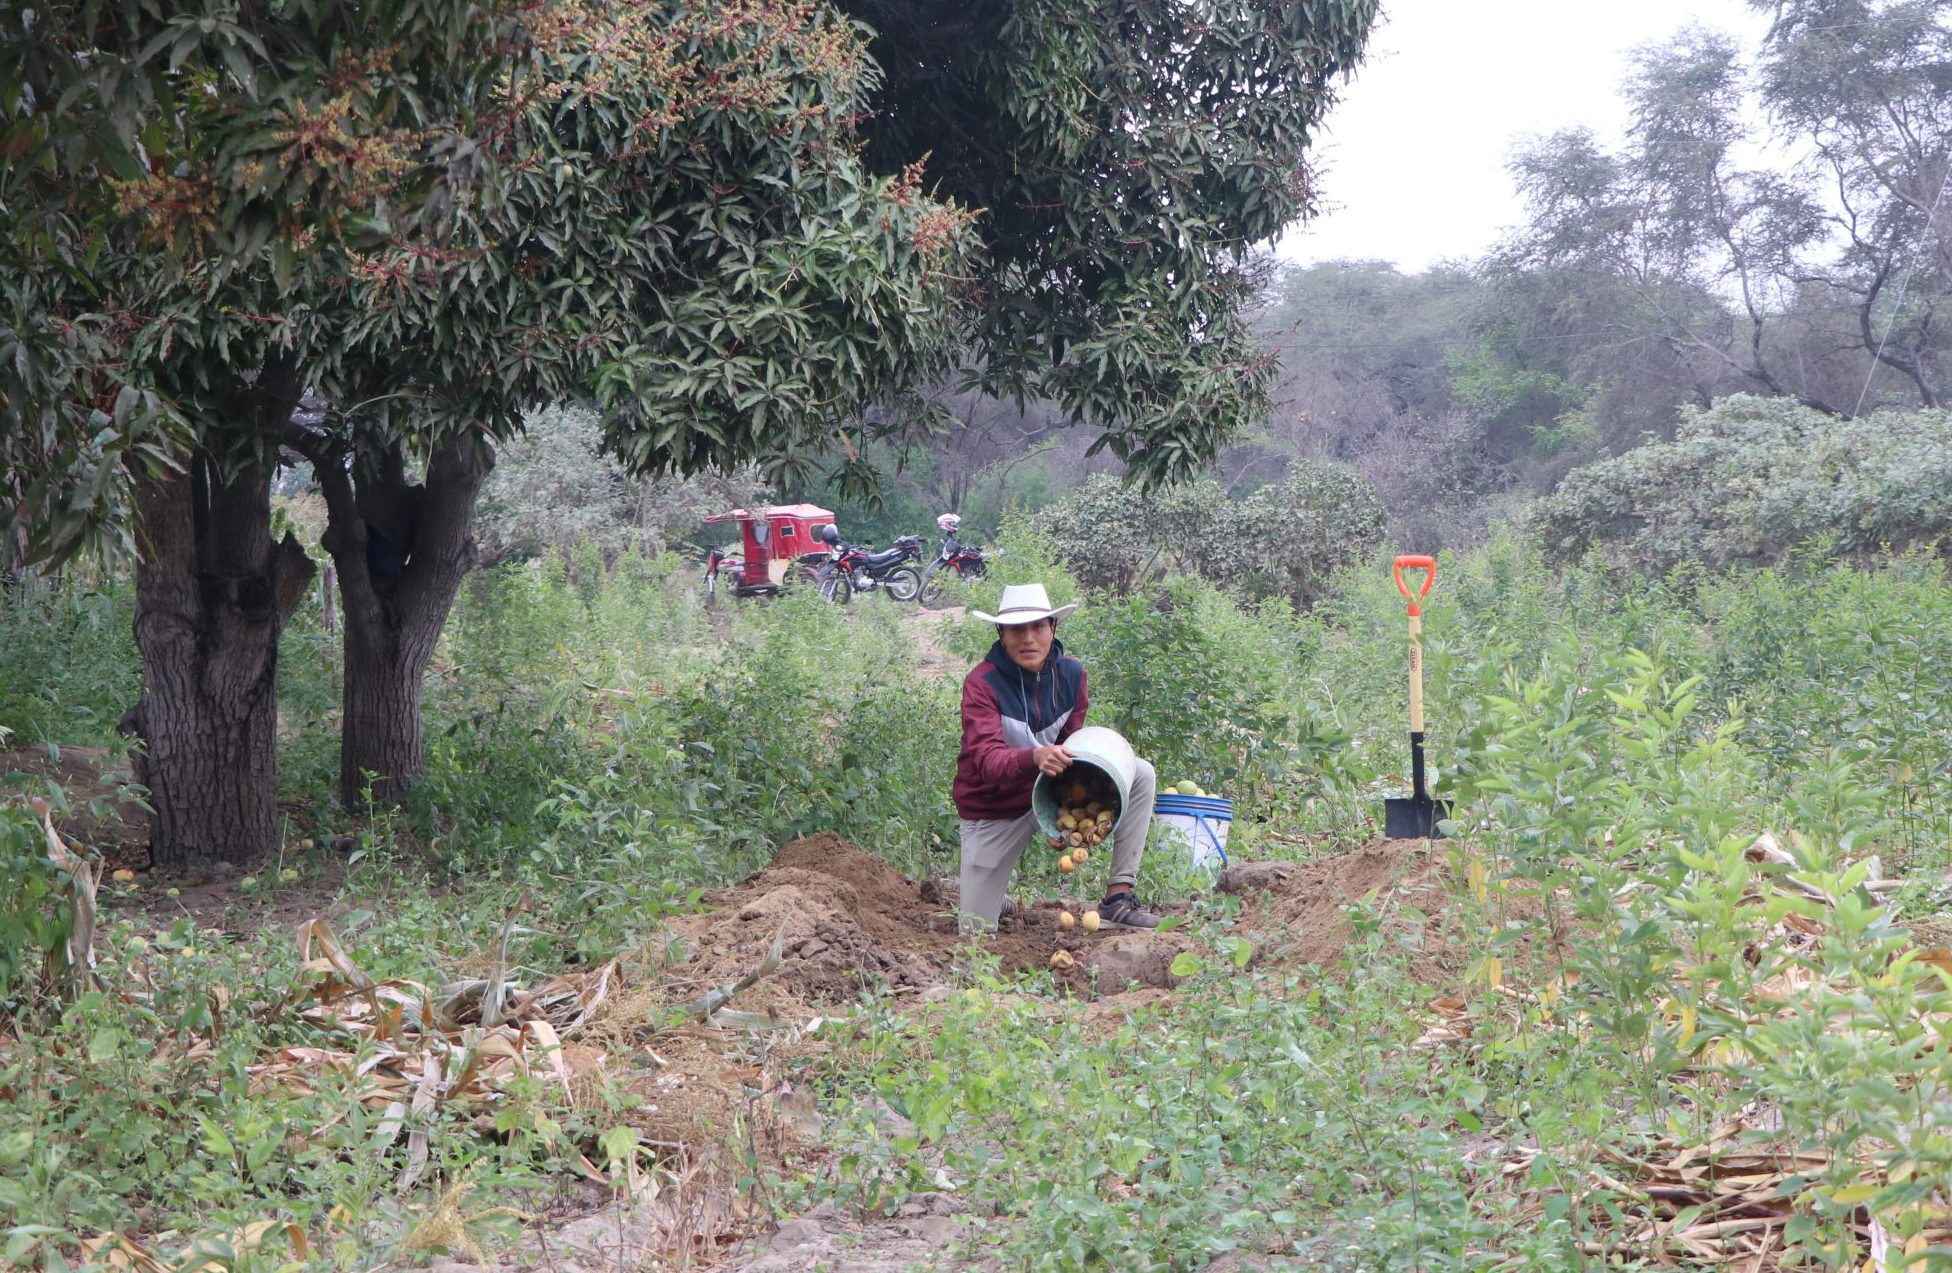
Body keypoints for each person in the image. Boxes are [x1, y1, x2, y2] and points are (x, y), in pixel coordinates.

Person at [953, 583, 1161, 932]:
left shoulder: (1072, 675)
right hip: (993, 808)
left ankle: (1117, 898)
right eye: (1017, 629)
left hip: (1046, 791)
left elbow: (1071, 752)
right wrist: (1035, 757)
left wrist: (1060, 812)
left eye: (1038, 627)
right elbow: (988, 764)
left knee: (1139, 772)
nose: (1028, 638)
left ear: (1053, 628)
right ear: (1001, 634)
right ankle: (992, 897)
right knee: (974, 931)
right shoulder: (982, 684)